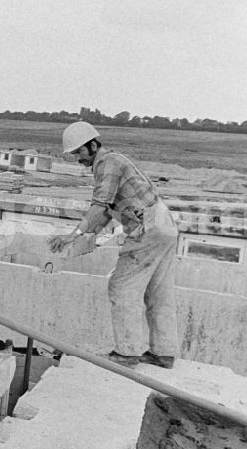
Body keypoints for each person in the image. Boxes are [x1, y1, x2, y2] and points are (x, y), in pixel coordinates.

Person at [48, 121, 178, 369]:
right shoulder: (112, 162)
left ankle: (126, 353)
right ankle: (164, 353)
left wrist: (73, 234)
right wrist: (91, 235)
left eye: (78, 152)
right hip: (164, 225)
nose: (77, 158)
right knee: (158, 292)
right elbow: (107, 211)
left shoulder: (108, 163)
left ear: (93, 145)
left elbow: (99, 205)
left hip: (147, 227)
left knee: (122, 287)